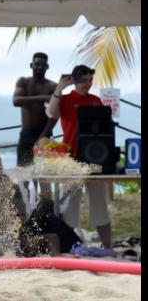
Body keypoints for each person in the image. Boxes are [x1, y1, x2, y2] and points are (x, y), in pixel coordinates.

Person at [47, 64, 115, 255]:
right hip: (71, 161)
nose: (88, 84)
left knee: (100, 204)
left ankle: (108, 247)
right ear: (75, 81)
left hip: (95, 159)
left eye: (90, 80)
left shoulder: (96, 100)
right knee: (69, 207)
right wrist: (59, 89)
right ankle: (69, 246)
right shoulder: (66, 100)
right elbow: (52, 113)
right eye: (84, 80)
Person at [13, 52, 58, 200]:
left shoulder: (53, 86)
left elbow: (55, 114)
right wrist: (44, 98)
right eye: (37, 64)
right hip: (26, 134)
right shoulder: (23, 82)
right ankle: (22, 214)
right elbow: (16, 100)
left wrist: (44, 134)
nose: (39, 67)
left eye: (42, 65)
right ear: (31, 65)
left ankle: (46, 213)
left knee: (44, 177)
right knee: (23, 175)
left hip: (44, 134)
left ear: (47, 67)